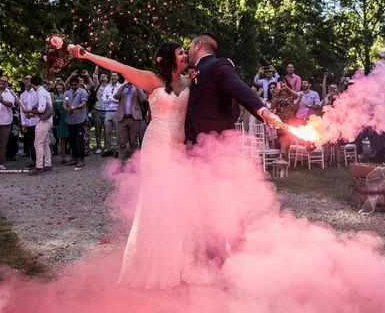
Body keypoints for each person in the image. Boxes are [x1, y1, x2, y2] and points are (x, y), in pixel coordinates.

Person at [65, 36, 281, 289]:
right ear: (168, 59)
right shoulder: (151, 80)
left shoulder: (193, 80)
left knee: (182, 203)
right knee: (158, 202)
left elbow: (225, 90)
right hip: (158, 145)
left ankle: (181, 262)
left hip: (181, 147)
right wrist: (87, 55)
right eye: (180, 52)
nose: (184, 55)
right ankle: (155, 264)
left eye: (185, 50)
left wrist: (231, 74)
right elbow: (119, 67)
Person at [114, 82, 147, 160]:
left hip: (134, 119)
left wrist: (137, 86)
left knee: (133, 143)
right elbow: (116, 96)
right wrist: (124, 84)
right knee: (122, 143)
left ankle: (133, 165)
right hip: (122, 119)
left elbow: (143, 99)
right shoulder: (122, 88)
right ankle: (119, 165)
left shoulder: (137, 88)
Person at [27, 76, 53, 175]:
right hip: (47, 120)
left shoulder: (40, 92)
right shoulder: (44, 91)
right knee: (45, 142)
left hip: (44, 120)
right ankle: (47, 164)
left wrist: (32, 112)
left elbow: (42, 108)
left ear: (32, 83)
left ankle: (39, 166)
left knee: (37, 143)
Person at [64, 76, 89, 167]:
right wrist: (66, 108)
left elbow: (84, 103)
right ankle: (74, 158)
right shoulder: (67, 93)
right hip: (70, 120)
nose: (74, 86)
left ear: (78, 83)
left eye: (75, 84)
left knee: (80, 140)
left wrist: (74, 107)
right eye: (72, 85)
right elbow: (65, 102)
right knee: (72, 140)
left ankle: (81, 159)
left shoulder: (83, 92)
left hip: (80, 120)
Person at [53, 80, 70, 164]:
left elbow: (68, 104)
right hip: (59, 118)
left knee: (70, 136)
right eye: (57, 85)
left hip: (68, 116)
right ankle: (63, 156)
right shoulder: (54, 96)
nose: (59, 86)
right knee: (62, 137)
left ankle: (74, 155)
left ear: (63, 86)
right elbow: (53, 108)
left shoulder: (66, 95)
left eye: (61, 85)